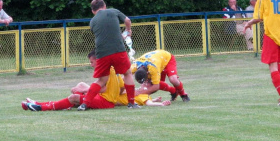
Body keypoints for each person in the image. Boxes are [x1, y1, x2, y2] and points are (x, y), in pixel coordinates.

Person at [21, 50, 170, 111]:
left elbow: (146, 99)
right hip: (104, 98)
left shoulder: (108, 69)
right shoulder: (118, 72)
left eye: (92, 62)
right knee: (76, 93)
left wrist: (158, 103)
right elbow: (117, 88)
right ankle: (37, 103)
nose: (91, 65)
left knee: (74, 96)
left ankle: (41, 107)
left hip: (106, 101)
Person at [78, 0, 138, 110]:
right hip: (118, 49)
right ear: (105, 6)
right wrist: (128, 30)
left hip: (101, 53)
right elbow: (127, 20)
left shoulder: (92, 21)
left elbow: (103, 34)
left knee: (101, 80)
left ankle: (84, 104)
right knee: (127, 74)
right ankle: (131, 103)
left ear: (93, 11)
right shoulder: (113, 11)